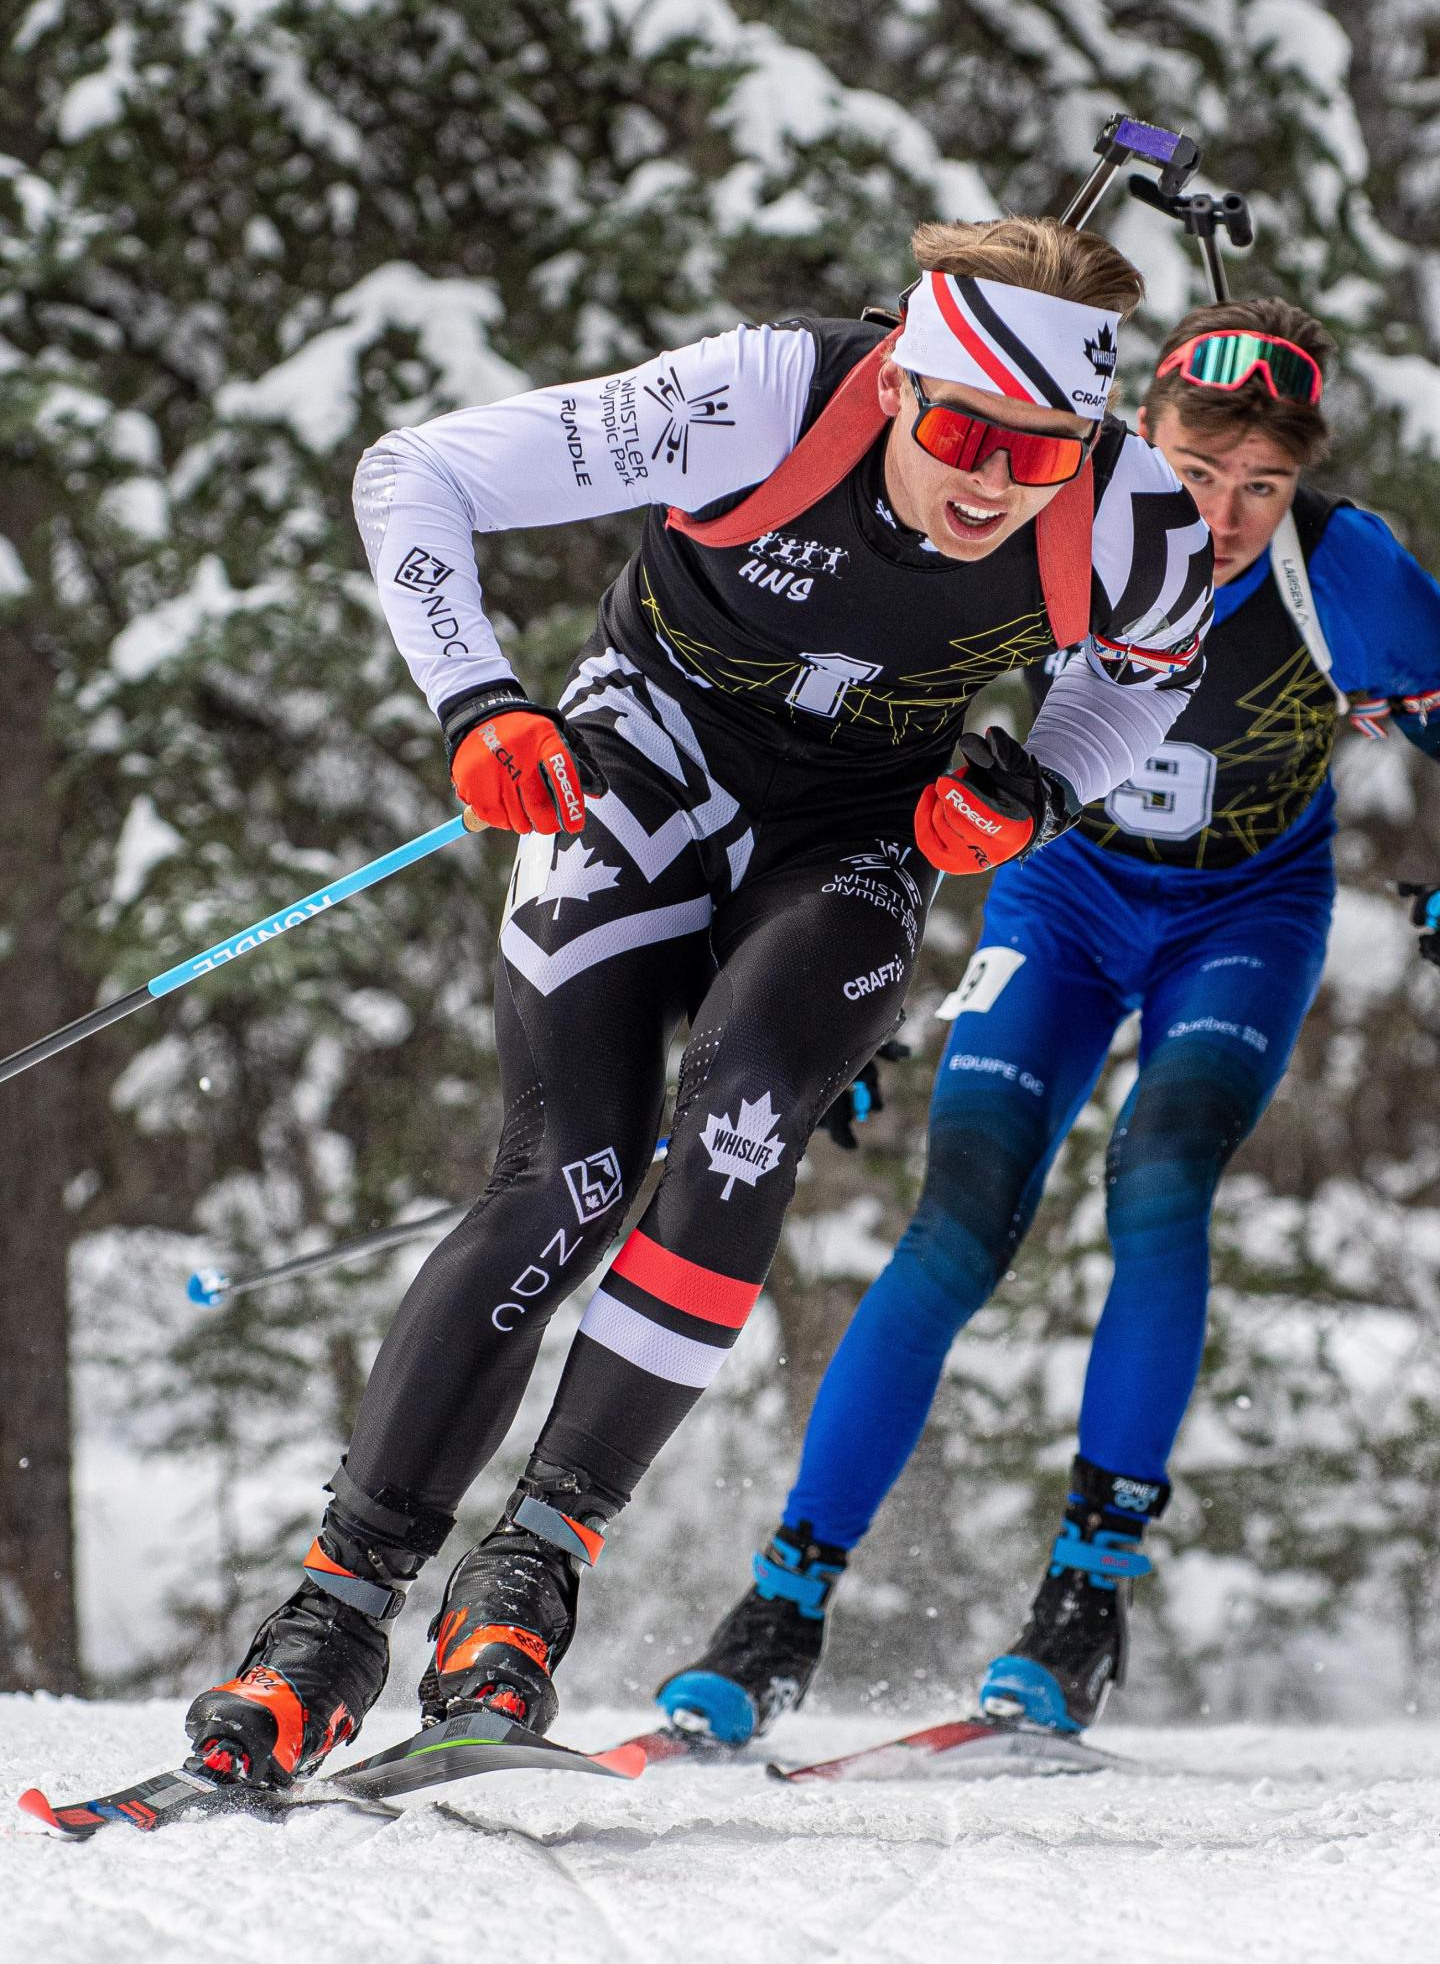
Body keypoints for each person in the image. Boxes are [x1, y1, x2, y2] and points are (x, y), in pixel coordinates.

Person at [182, 214, 1214, 1787]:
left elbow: (1148, 672)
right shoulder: (764, 398)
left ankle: (522, 1587)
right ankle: (329, 1620)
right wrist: (477, 701)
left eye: (1044, 454)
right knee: (568, 1176)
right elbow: (416, 474)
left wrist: (1038, 784)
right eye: (958, 431)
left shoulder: (1135, 521)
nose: (997, 480)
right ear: (896, 389)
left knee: (739, 1123)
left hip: (860, 829)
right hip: (645, 766)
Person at [662, 297, 1440, 1746]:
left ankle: (1085, 1594)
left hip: (1240, 920)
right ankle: (782, 1606)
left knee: (1161, 1180)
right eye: (1197, 472)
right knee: (956, 1217)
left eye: (1261, 486)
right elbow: (869, 743)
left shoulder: (1349, 574)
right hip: (1061, 906)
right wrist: (834, 998)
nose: (1221, 514)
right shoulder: (1042, 505)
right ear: (1139, 436)